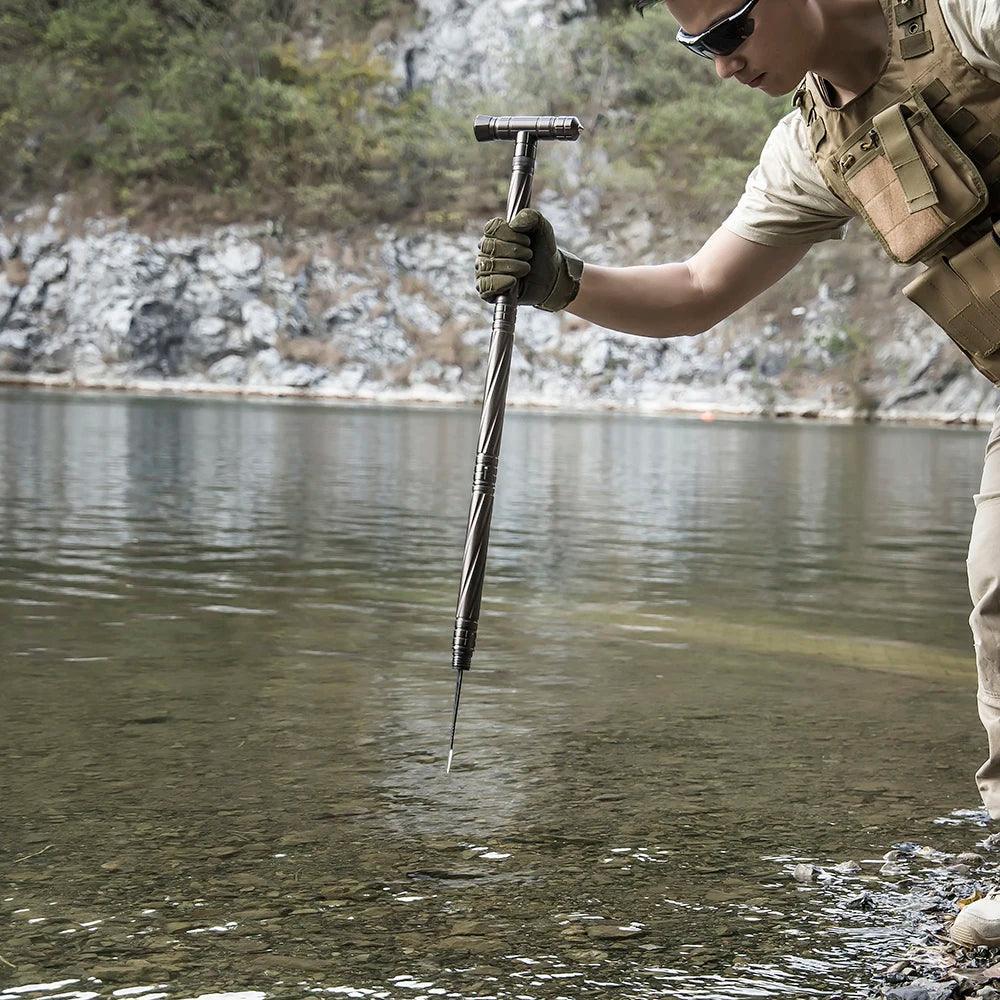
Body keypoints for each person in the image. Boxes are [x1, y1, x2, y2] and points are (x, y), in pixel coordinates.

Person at [474, 0, 1000, 947]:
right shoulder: (815, 144)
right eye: (695, 47)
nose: (719, 66)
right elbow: (697, 293)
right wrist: (563, 281)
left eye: (728, 33)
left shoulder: (968, 22)